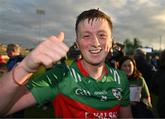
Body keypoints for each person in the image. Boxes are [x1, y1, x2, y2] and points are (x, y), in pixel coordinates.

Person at [0, 9, 132, 118]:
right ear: (77, 43)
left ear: (111, 42)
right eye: (86, 36)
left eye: (102, 35)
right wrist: (25, 67)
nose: (95, 43)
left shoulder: (121, 78)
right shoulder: (62, 76)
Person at [5, 44, 25, 118]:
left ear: (13, 51)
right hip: (10, 86)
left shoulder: (21, 60)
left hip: (18, 87)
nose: (6, 53)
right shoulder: (11, 59)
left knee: (18, 107)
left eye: (7, 51)